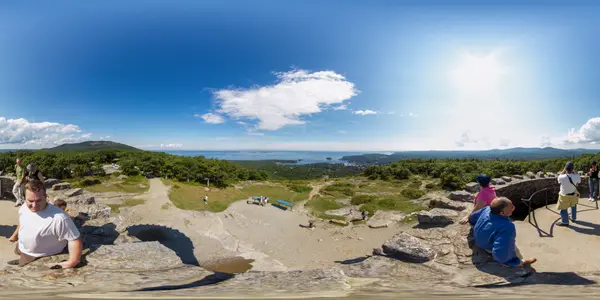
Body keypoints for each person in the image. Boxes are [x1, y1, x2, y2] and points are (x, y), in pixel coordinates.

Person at [7, 179, 82, 268]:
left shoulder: (60, 218)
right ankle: (21, 258)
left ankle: (23, 262)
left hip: (39, 254)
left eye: (38, 201)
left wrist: (72, 261)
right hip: (22, 246)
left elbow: (74, 239)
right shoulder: (24, 207)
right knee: (19, 252)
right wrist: (15, 235)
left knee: (22, 266)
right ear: (24, 198)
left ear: (46, 197)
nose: (34, 205)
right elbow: (22, 222)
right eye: (30, 201)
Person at [469, 197, 537, 269]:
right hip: (487, 246)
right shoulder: (506, 226)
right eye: (511, 207)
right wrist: (507, 261)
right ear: (502, 213)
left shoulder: (487, 209)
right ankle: (520, 262)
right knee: (512, 246)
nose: (514, 208)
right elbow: (502, 248)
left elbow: (472, 218)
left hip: (479, 239)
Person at [556, 161, 581, 226]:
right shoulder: (577, 176)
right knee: (573, 206)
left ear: (566, 168)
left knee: (563, 208)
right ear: (572, 169)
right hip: (573, 195)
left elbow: (558, 180)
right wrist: (574, 171)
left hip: (564, 196)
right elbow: (579, 180)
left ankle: (565, 222)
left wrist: (564, 170)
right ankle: (573, 218)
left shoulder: (561, 177)